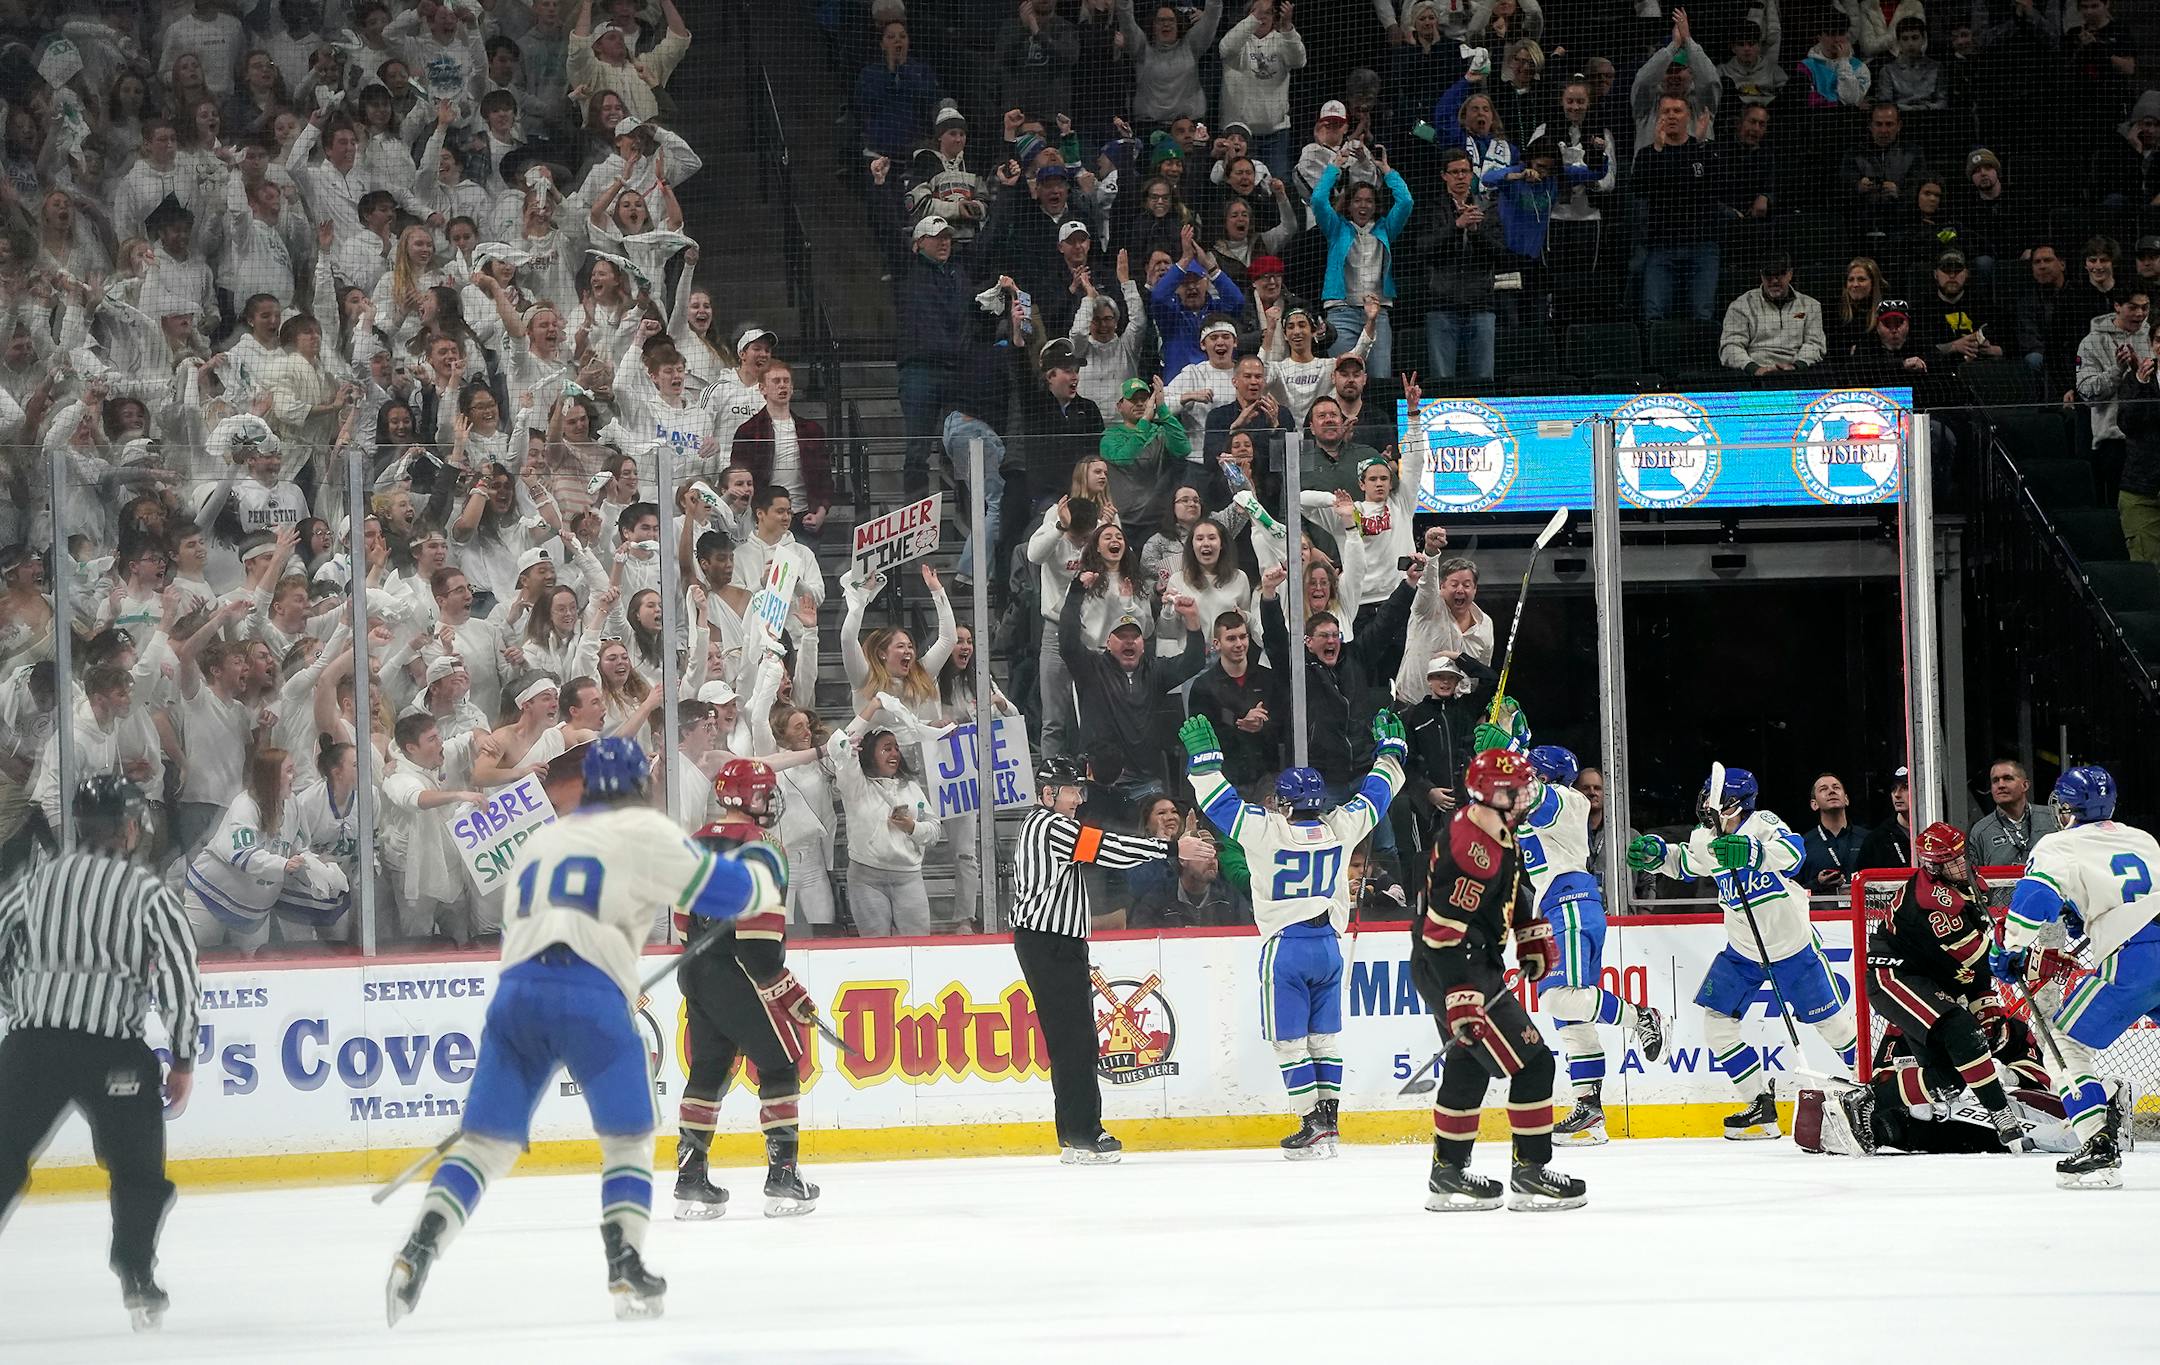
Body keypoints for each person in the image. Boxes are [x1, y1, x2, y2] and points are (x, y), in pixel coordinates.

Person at [385, 738, 787, 1326]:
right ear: (637, 787)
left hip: (516, 996)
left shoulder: (543, 839)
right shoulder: (646, 833)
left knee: (484, 1146)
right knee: (626, 1143)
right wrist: (762, 869)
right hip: (593, 997)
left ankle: (422, 1242)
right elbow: (733, 895)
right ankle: (624, 1265)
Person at [0, 776, 199, 1331]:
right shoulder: (147, 892)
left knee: (1, 1155)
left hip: (33, 1043)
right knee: (137, 1169)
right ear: (129, 826)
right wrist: (183, 1056)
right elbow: (179, 975)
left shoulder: (37, 880)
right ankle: (136, 1272)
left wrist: (19, 1001)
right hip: (112, 1049)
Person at [1180, 709, 1406, 1156]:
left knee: (1289, 1041)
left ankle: (1309, 1122)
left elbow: (1221, 806)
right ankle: (1330, 1120)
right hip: (1328, 946)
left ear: (1283, 802)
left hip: (1286, 945)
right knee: (1325, 1038)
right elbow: (1376, 797)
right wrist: (1390, 755)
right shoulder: (1340, 827)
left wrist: (1205, 765)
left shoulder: (1266, 830)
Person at [1628, 766, 1861, 1140]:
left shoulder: (1763, 824)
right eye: (1706, 797)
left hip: (1791, 947)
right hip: (1742, 950)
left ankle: (1871, 1085)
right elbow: (1686, 863)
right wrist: (1658, 855)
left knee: (1834, 1027)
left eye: (1717, 800)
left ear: (1740, 804)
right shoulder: (1706, 837)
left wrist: (1752, 853)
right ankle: (1761, 1107)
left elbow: (1793, 853)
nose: (1709, 805)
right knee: (1716, 1026)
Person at [1007, 755, 1209, 1164]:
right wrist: (1172, 847)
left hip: (1051, 941)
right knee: (1075, 1040)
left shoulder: (1042, 825)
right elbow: (1106, 848)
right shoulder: (1049, 826)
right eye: (1070, 790)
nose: (1079, 798)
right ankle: (1083, 1134)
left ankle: (1076, 1133)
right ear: (1047, 793)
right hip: (1049, 942)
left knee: (1074, 1039)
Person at [1413, 749, 1585, 1211]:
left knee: (1468, 1066)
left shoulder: (1493, 825)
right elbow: (1442, 933)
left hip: (1463, 961)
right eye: (1520, 788)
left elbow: (1514, 883)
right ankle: (1531, 1172)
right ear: (1494, 793)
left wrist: (1528, 933)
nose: (1528, 794)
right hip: (1456, 964)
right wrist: (1462, 996)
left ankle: (1447, 1174)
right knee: (1535, 1064)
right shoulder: (1471, 850)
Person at [1994, 765, 2160, 1188]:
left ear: (2066, 807)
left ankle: (2097, 1147)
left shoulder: (2058, 844)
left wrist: (2010, 947)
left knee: (2063, 1042)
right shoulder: (2143, 838)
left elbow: (2035, 898)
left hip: (2136, 955)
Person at [672, 759, 821, 1221]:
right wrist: (786, 988)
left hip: (695, 969)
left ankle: (691, 1181)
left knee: (710, 1070)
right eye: (763, 793)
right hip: (739, 975)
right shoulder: (760, 849)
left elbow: (680, 924)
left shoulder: (692, 844)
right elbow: (758, 946)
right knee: (780, 1064)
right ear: (745, 798)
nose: (769, 800)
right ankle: (783, 1180)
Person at [1518, 743, 1668, 1146]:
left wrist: (1508, 750)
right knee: (1572, 1018)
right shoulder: (1535, 805)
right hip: (1557, 906)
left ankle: (1642, 1017)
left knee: (1555, 999)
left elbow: (1526, 792)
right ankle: (1590, 1112)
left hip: (1570, 902)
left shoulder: (1567, 800)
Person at [1860, 822, 2029, 1151]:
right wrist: (2024, 952)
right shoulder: (1934, 900)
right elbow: (1980, 957)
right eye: (1952, 861)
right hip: (1895, 977)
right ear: (1933, 866)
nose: (1961, 864)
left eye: (1962, 856)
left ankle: (1866, 1101)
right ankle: (2000, 1113)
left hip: (1930, 980)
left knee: (1947, 1079)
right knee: (1960, 1027)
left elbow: (1972, 972)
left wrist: (1988, 1005)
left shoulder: (1967, 884)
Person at [1718, 253, 1825, 374]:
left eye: (1780, 274)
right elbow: (1730, 347)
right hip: (1752, 375)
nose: (1774, 280)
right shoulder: (1740, 305)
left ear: (1790, 274)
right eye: (1768, 275)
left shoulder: (1811, 305)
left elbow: (1815, 344)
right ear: (1761, 275)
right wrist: (1754, 368)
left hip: (1797, 374)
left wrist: (1796, 366)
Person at [1969, 758, 2053, 867]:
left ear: (2025, 785)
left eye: (2007, 778)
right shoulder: (1980, 831)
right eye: (1995, 780)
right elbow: (1974, 877)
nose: (2001, 785)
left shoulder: (2052, 819)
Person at [1798, 772, 1867, 896]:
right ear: (1814, 804)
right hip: (1820, 913)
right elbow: (1792, 891)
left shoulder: (1868, 839)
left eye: (1836, 787)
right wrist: (1817, 884)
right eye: (1823, 789)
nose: (1831, 791)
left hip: (1864, 913)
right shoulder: (1803, 845)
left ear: (1846, 799)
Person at [1857, 766, 1912, 871]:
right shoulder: (1876, 840)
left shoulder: (1935, 833)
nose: (1896, 794)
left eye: (1905, 787)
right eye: (1893, 789)